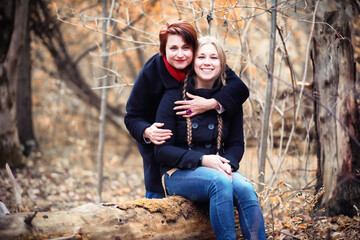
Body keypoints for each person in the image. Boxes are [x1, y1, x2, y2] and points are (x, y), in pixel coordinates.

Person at [154, 36, 266, 240]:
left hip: (219, 168)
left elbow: (235, 144)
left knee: (246, 188)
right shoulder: (172, 97)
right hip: (177, 173)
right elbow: (161, 151)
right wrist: (203, 160)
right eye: (201, 57)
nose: (207, 62)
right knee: (219, 182)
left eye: (213, 57)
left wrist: (228, 164)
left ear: (222, 64)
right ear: (192, 62)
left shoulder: (229, 100)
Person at [124, 20, 249, 199]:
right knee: (157, 196)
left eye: (186, 48)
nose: (180, 54)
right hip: (161, 145)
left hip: (198, 151)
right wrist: (146, 130)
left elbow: (240, 88)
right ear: (163, 51)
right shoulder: (152, 71)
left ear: (193, 50)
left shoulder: (201, 61)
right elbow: (132, 116)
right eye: (173, 48)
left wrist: (211, 103)